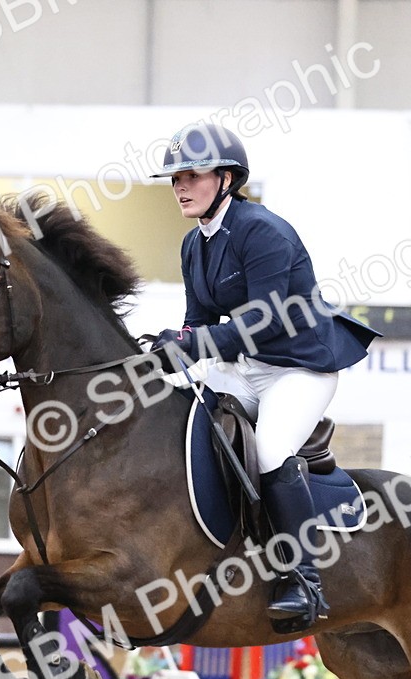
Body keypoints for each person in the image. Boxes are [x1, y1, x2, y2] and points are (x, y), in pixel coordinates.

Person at [150, 122, 379, 632]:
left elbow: (265, 320)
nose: (180, 186)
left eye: (192, 175)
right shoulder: (194, 244)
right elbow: (198, 321)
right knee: (177, 418)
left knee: (272, 449)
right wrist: (172, 346)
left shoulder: (264, 231)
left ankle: (303, 579)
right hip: (240, 368)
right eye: (175, 178)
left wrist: (194, 344)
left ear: (227, 178)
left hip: (297, 369)